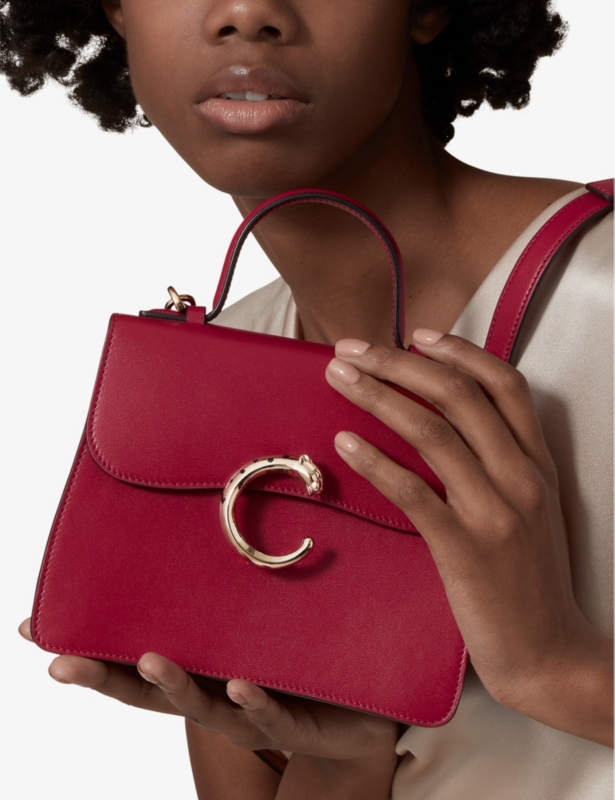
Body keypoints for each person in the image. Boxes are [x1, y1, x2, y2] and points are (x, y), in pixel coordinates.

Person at [4, 0, 612, 797]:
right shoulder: (222, 369)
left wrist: (555, 671)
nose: (245, 12)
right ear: (116, 10)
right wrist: (338, 756)